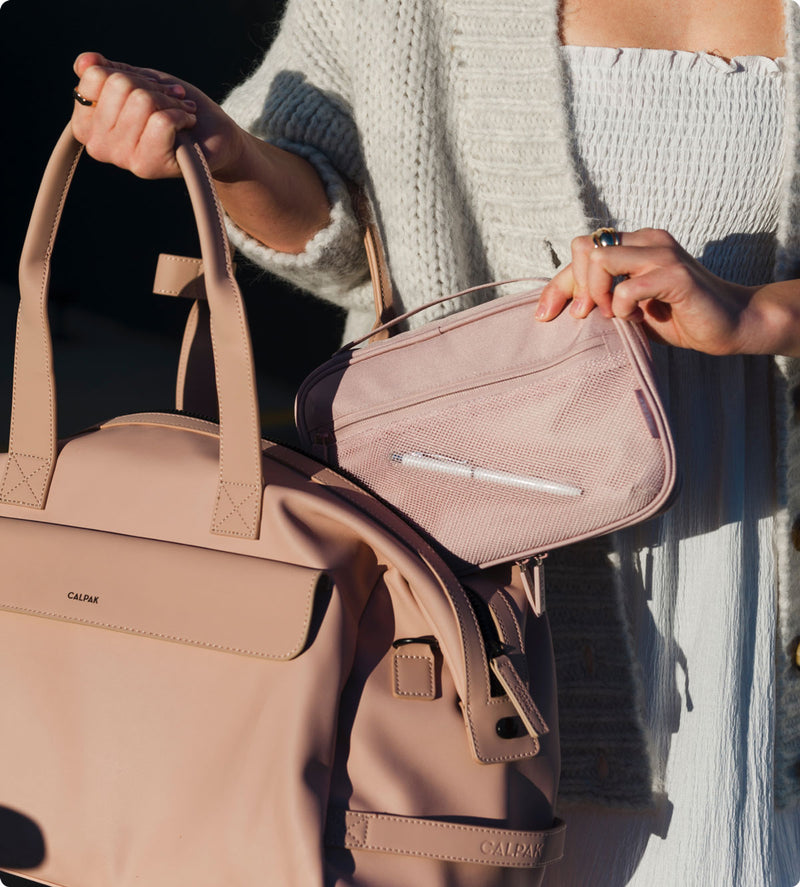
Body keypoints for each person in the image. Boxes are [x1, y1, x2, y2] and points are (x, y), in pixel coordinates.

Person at [69, 0, 800, 883]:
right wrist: (226, 153)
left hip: (744, 581)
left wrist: (762, 312)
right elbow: (322, 217)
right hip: (461, 599)